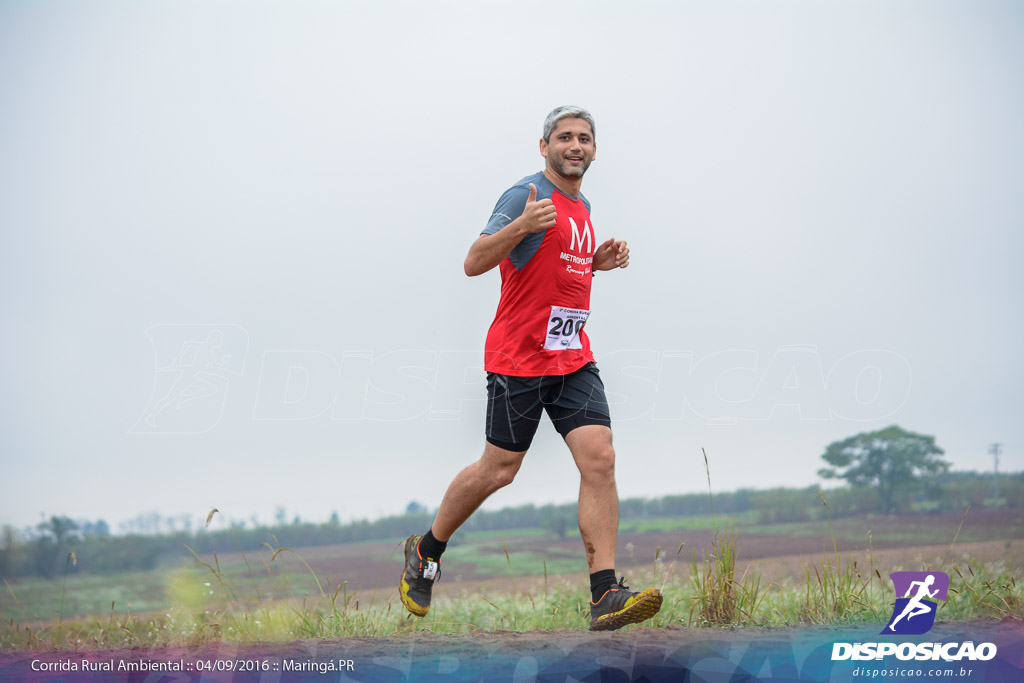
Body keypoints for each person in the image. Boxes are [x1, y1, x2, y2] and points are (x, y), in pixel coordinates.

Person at [399, 106, 663, 631]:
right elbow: (475, 261)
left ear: (594, 150)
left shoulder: (582, 205)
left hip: (571, 357)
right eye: (564, 137)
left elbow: (549, 262)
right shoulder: (525, 195)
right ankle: (426, 553)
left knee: (600, 458)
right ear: (543, 147)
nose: (575, 145)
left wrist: (595, 263)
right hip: (517, 360)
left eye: (584, 138)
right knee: (499, 469)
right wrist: (520, 224)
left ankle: (604, 593)